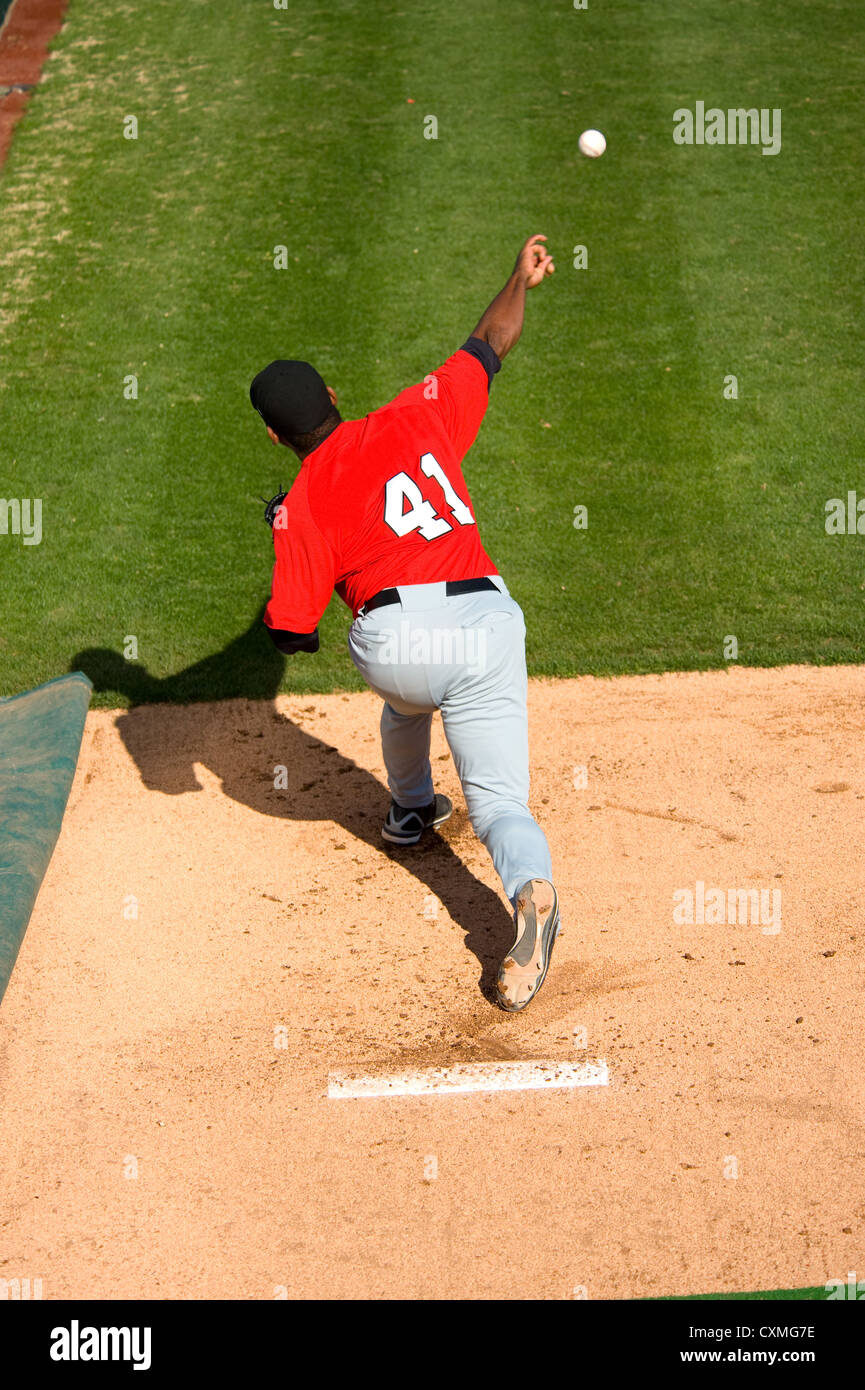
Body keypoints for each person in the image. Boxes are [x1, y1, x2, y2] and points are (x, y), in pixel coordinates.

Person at [249, 234, 559, 1011]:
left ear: (274, 436)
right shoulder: (417, 414)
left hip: (398, 648)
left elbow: (292, 632)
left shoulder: (303, 499)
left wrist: (286, 532)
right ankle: (529, 890)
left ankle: (412, 805)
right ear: (333, 397)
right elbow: (491, 339)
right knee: (499, 806)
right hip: (489, 621)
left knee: (405, 695)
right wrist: (516, 276)